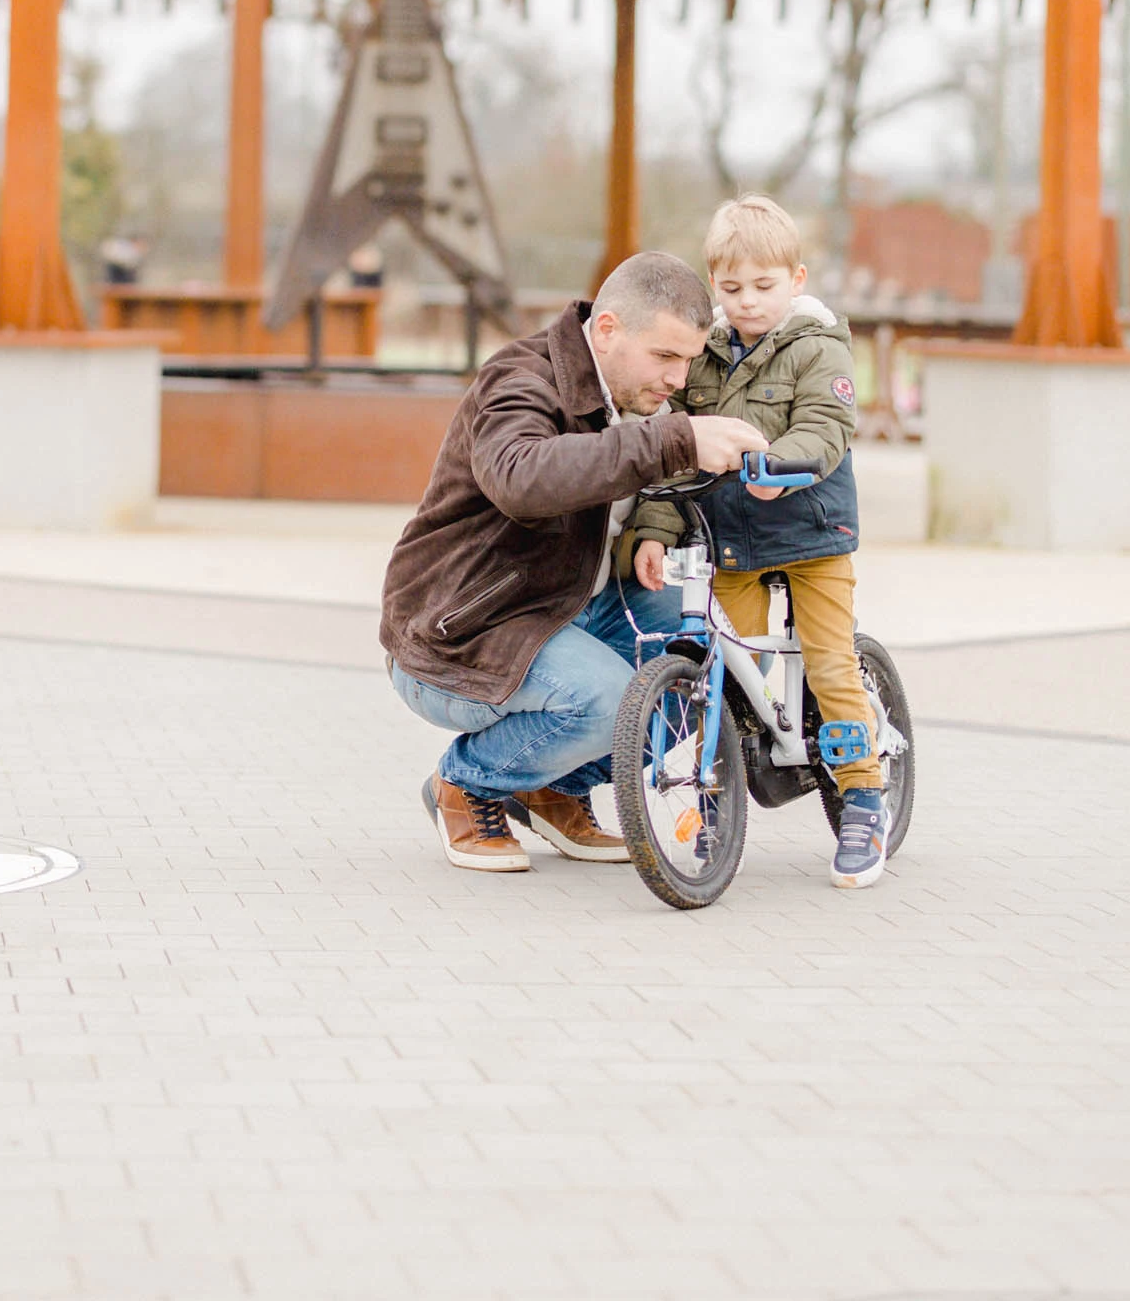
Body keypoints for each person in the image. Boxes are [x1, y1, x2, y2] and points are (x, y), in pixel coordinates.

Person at [380, 252, 754, 871]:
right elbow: (522, 477)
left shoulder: (642, 395)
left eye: (688, 359)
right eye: (665, 357)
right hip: (463, 632)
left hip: (569, 607)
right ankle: (465, 784)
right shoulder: (520, 379)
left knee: (715, 653)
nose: (680, 380)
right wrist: (675, 440)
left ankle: (555, 788)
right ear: (606, 330)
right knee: (609, 702)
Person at [624, 192, 887, 889]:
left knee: (830, 663)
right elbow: (669, 451)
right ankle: (718, 795)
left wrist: (782, 463)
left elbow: (827, 427)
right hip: (730, 536)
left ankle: (862, 796)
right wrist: (653, 529)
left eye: (764, 287)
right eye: (731, 287)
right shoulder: (702, 357)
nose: (746, 302)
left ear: (795, 281)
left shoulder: (818, 345)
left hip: (810, 530)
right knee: (727, 673)